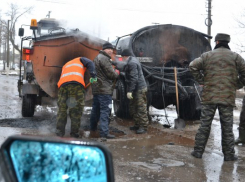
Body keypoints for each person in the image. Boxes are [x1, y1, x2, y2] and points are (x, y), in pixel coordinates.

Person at [189, 33, 245, 161]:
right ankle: (229, 155)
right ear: (227, 42)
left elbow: (192, 66)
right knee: (227, 127)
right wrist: (237, 84)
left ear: (217, 42)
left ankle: (198, 152)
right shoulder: (235, 57)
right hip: (227, 98)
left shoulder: (207, 56)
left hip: (209, 97)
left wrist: (202, 80)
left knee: (205, 125)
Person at [56, 57, 97, 138]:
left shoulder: (66, 64)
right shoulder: (81, 59)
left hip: (62, 86)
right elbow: (90, 63)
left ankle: (59, 133)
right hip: (76, 86)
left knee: (62, 110)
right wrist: (93, 75)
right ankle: (74, 134)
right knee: (75, 110)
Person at [90, 42, 119, 139]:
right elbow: (111, 74)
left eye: (111, 49)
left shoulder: (96, 58)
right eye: (108, 49)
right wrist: (117, 73)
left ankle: (93, 129)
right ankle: (104, 134)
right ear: (104, 49)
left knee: (95, 110)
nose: (110, 51)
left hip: (97, 89)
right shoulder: (104, 58)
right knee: (105, 111)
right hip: (105, 90)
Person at [119, 49, 149, 134]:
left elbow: (134, 78)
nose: (122, 59)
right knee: (133, 108)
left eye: (122, 57)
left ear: (125, 56)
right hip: (135, 88)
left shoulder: (132, 63)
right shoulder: (130, 61)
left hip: (139, 88)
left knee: (140, 108)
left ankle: (143, 127)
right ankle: (137, 124)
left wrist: (130, 91)